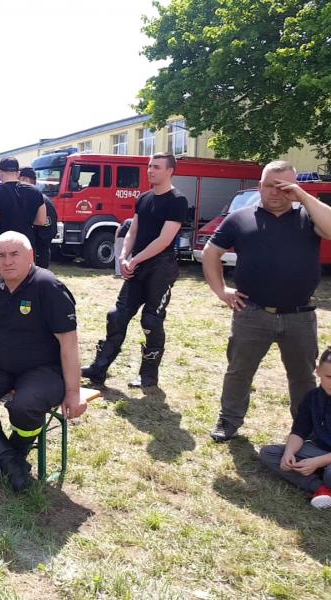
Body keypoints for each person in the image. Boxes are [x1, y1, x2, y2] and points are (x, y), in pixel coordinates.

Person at [204, 160, 331, 442]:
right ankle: (229, 420)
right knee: (239, 371)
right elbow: (211, 252)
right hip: (252, 313)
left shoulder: (308, 217)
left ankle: (306, 429)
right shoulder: (240, 217)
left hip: (300, 315)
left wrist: (304, 197)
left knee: (302, 378)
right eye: (269, 186)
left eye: (283, 187)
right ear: (259, 186)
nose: (275, 192)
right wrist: (221, 291)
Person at [0, 232, 86, 491]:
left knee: (24, 407)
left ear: (31, 256)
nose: (7, 261)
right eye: (1, 255)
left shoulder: (48, 287)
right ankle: (9, 460)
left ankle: (13, 452)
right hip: (0, 366)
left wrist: (74, 391)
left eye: (15, 254)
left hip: (43, 370)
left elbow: (69, 344)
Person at [81, 153, 188, 389]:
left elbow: (164, 239)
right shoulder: (144, 198)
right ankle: (99, 369)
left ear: (170, 171)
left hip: (161, 268)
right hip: (138, 266)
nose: (150, 170)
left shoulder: (177, 200)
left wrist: (135, 259)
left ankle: (148, 376)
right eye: (150, 166)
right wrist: (122, 257)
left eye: (157, 167)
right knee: (117, 316)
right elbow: (133, 230)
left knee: (151, 320)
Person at [260, 348, 331, 509]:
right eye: (329, 377)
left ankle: (321, 478)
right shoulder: (312, 397)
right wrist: (289, 453)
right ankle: (320, 489)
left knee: (330, 474)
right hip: (317, 450)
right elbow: (299, 431)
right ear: (318, 371)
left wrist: (318, 462)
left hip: (324, 459)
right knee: (269, 453)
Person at [0, 157, 46, 253]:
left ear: (0, 172)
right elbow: (41, 220)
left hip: (5, 246)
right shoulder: (35, 191)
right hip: (26, 245)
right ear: (18, 173)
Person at [19, 167, 58, 269]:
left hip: (38, 251)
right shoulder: (32, 198)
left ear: (25, 180)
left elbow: (48, 230)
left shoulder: (41, 200)